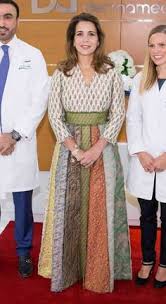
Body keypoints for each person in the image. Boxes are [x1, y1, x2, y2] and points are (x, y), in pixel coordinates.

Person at [38, 12, 131, 293]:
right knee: (69, 209)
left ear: (99, 39)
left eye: (91, 34)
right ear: (72, 39)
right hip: (69, 151)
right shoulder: (61, 72)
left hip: (103, 149)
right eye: (80, 34)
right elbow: (55, 115)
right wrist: (76, 149)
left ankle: (99, 271)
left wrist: (98, 147)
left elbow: (118, 113)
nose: (85, 39)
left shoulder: (111, 71)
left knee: (101, 211)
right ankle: (68, 270)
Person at [0, 0, 49, 278]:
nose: (3, 22)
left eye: (8, 17)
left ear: (17, 20)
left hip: (19, 142)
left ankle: (23, 253)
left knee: (22, 202)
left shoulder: (33, 55)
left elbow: (39, 100)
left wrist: (14, 134)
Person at [127, 25, 166, 288]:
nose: (156, 51)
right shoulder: (140, 79)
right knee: (146, 216)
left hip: (165, 161)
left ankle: (164, 265)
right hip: (144, 162)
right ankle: (148, 261)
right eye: (152, 45)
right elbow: (133, 119)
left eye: (162, 45)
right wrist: (140, 152)